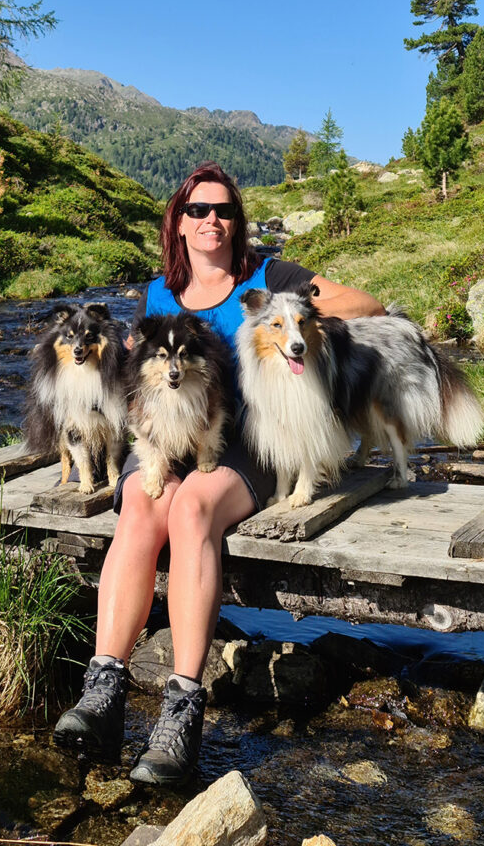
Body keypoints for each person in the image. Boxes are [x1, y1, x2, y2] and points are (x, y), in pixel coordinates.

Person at [52, 161, 385, 785]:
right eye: (198, 211)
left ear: (237, 221)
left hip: (249, 444)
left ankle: (180, 711)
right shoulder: (158, 296)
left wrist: (299, 317)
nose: (211, 221)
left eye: (223, 210)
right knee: (141, 508)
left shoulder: (268, 277)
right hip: (166, 439)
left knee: (192, 509)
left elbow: (364, 304)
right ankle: (104, 694)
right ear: (177, 223)